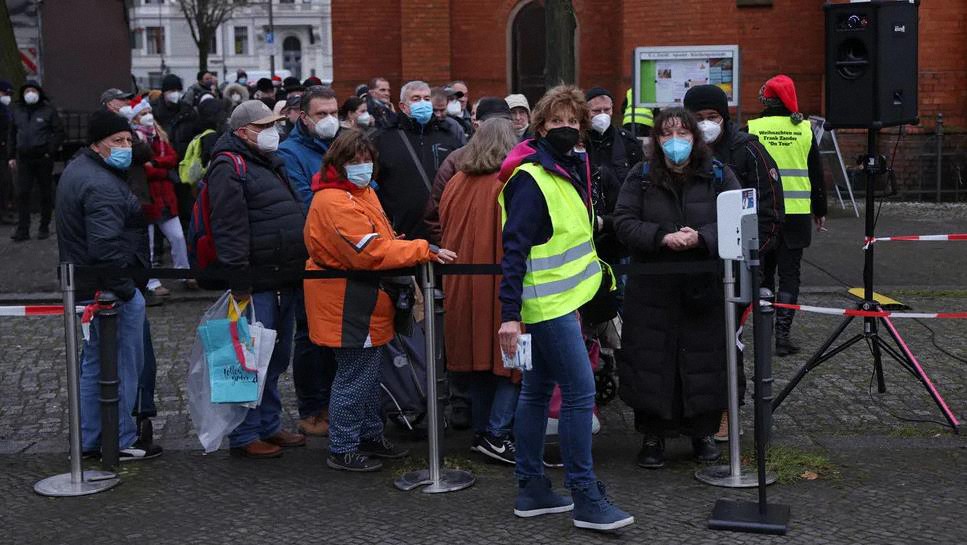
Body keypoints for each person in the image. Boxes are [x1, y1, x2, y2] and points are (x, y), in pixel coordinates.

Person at [497, 85, 634, 531]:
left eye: (573, 122)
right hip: (545, 307)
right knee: (579, 394)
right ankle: (585, 497)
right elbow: (513, 251)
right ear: (539, 127)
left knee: (537, 393)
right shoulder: (532, 178)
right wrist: (509, 315)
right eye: (558, 122)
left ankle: (532, 489)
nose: (568, 128)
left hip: (557, 302)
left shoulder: (563, 170)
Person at [303, 128, 457, 471]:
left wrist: (400, 245)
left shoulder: (357, 193)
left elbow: (376, 240)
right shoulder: (333, 201)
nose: (364, 167)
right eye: (356, 162)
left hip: (362, 299)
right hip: (346, 301)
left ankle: (369, 436)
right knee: (354, 375)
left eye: (367, 161)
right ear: (339, 164)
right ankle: (342, 447)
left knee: (370, 375)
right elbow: (369, 252)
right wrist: (421, 249)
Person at [613, 107, 740, 469]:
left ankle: (702, 434)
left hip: (704, 286)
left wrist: (702, 237)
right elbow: (623, 221)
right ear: (656, 140)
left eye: (682, 134)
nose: (675, 142)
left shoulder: (718, 174)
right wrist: (660, 237)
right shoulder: (640, 176)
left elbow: (738, 220)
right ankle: (653, 436)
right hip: (653, 288)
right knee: (652, 361)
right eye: (667, 135)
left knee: (704, 359)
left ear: (694, 138)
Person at [56, 109, 161, 461]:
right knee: (120, 366)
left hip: (90, 285)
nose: (125, 147)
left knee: (95, 366)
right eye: (117, 141)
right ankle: (121, 439)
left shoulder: (83, 170)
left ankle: (92, 437)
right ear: (96, 145)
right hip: (111, 290)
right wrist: (128, 290)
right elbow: (104, 248)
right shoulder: (101, 184)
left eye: (129, 140)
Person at [683, 84, 786, 440]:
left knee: (730, 344)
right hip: (695, 265)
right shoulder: (681, 154)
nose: (706, 124)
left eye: (712, 117)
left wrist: (753, 258)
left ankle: (728, 412)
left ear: (725, 118)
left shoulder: (748, 152)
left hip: (738, 267)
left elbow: (770, 212)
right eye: (698, 119)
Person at [207, 100, 309, 458]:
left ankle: (268, 424)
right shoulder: (229, 166)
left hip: (281, 277)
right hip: (254, 282)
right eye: (264, 126)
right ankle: (244, 433)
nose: (273, 132)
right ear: (242, 132)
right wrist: (240, 281)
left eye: (274, 125)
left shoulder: (267, 161)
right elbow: (229, 227)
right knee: (248, 359)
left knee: (275, 356)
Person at [439, 117, 520, 464]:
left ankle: (481, 429)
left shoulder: (455, 181)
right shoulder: (512, 183)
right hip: (502, 285)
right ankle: (497, 434)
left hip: (462, 285)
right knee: (511, 361)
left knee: (478, 363)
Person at [276, 85, 341, 437]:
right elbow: (306, 202)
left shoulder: (340, 145)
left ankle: (336, 402)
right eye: (321, 114)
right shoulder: (290, 153)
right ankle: (312, 408)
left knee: (335, 335)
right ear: (303, 116)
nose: (330, 120)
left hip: (345, 255)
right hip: (313, 255)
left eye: (334, 112)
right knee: (310, 335)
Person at [748, 75, 826, 357]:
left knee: (764, 273)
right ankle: (783, 336)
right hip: (797, 213)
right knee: (790, 274)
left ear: (767, 100)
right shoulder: (804, 129)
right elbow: (816, 173)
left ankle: (763, 334)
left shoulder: (753, 127)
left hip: (763, 213)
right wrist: (821, 211)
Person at [372, 80, 460, 242]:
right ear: (403, 106)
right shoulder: (384, 139)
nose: (423, 103)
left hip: (441, 230)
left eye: (427, 99)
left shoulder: (448, 137)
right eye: (416, 98)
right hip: (400, 232)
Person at [122, 97, 188, 297]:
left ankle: (185, 273)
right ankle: (151, 282)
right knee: (147, 244)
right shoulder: (135, 140)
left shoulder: (160, 136)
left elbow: (171, 158)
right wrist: (163, 168)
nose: (148, 116)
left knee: (178, 237)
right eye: (143, 114)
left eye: (149, 112)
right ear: (134, 119)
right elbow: (143, 170)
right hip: (147, 198)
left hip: (165, 197)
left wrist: (157, 166)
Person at [425, 97, 513, 243]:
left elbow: (433, 212)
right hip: (485, 251)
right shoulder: (457, 159)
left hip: (467, 252)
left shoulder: (522, 161)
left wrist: (451, 246)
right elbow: (434, 212)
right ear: (476, 125)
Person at [583, 87, 644, 266]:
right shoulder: (579, 142)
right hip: (589, 230)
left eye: (606, 110)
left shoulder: (627, 142)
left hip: (621, 229)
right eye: (596, 111)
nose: (602, 115)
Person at [8, 80, 64, 242]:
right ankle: (23, 229)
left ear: (38, 93)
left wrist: (49, 150)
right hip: (23, 158)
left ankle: (44, 227)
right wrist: (11, 155)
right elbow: (12, 134)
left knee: (45, 193)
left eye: (33, 90)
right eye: (26, 91)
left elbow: (59, 132)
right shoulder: (17, 111)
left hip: (43, 158)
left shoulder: (48, 111)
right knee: (22, 193)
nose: (30, 94)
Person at [0, 80, 14, 225]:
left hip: (4, 152)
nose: (7, 96)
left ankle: (6, 210)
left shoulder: (5, 109)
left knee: (6, 182)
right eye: (5, 93)